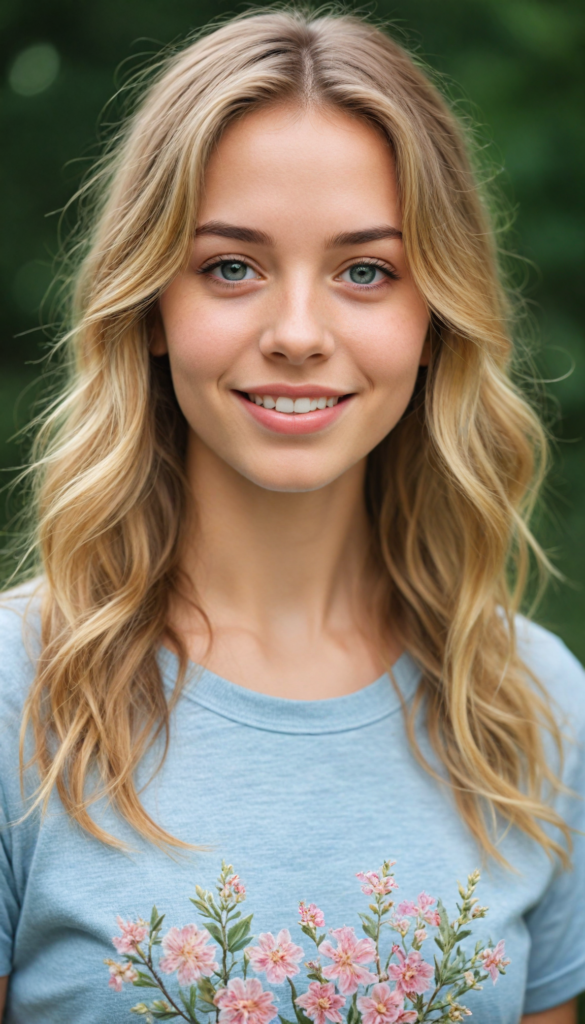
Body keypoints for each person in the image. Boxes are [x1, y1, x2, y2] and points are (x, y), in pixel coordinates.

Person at [0, 9, 583, 1023]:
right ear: (148, 308)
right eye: (232, 265)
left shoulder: (533, 712)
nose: (300, 334)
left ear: (437, 317)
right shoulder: (18, 698)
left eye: (366, 271)